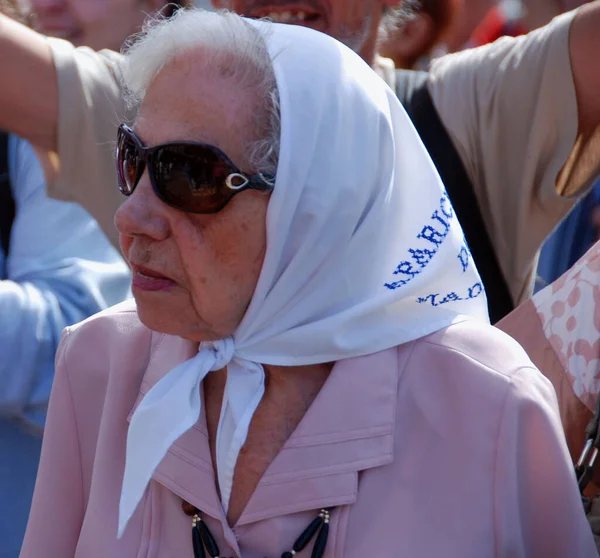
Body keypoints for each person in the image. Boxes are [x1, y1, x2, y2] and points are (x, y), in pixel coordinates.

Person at [20, 11, 596, 557]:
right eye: (133, 158)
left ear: (313, 204)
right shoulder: (99, 364)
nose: (131, 216)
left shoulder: (488, 403)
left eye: (189, 174)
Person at [1, 2, 600, 323]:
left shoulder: (471, 114)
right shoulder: (155, 100)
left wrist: (561, 347)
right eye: (174, 169)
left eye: (190, 176)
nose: (140, 212)